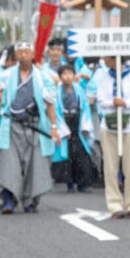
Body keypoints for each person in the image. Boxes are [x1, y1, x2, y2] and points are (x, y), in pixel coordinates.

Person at [0, 41, 61, 213]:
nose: (22, 54)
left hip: (34, 124)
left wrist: (53, 126)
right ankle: (8, 199)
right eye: (19, 51)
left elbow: (50, 104)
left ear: (33, 53)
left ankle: (30, 200)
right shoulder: (5, 76)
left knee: (35, 165)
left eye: (26, 51)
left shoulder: (43, 78)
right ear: (15, 55)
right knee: (8, 163)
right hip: (10, 124)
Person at [95, 55, 130, 219]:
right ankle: (115, 205)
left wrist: (125, 103)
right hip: (109, 126)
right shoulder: (104, 76)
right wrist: (113, 103)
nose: (106, 61)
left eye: (108, 58)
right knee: (110, 167)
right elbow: (101, 99)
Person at [51, 63, 96, 193]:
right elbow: (56, 111)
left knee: (82, 155)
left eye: (70, 74)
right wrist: (62, 130)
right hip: (65, 122)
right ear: (60, 77)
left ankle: (83, 184)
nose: (68, 77)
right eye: (64, 74)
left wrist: (85, 126)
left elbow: (85, 107)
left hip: (78, 122)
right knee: (68, 156)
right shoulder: (57, 92)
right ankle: (70, 183)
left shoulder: (79, 90)